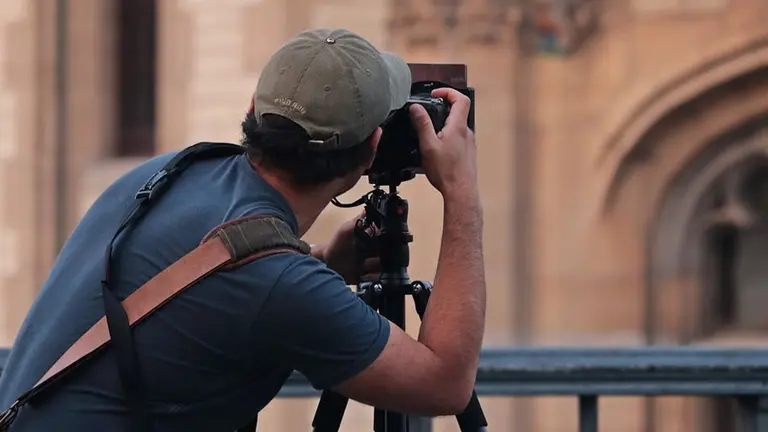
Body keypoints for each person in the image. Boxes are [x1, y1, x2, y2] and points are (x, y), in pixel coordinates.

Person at [0, 28, 485, 431]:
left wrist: (319, 262)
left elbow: (218, 291)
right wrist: (461, 193)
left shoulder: (169, 172)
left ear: (254, 108)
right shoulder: (279, 283)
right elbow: (445, 384)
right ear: (372, 148)